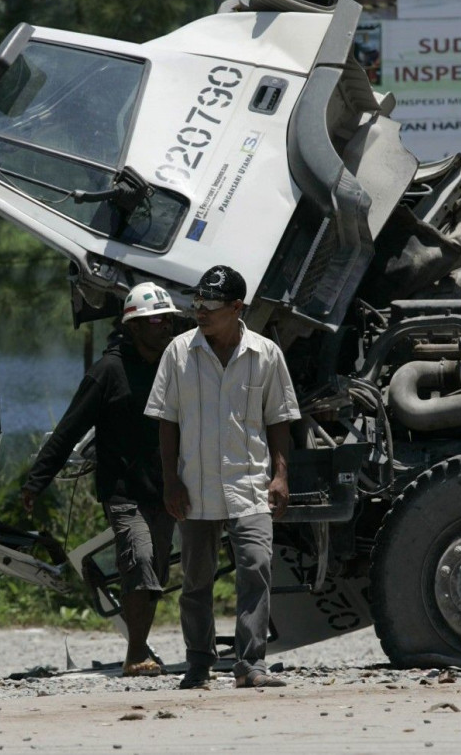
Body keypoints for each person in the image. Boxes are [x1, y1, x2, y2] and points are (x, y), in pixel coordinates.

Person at [145, 265, 301, 690]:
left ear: (237, 308)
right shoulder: (179, 353)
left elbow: (280, 419)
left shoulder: (265, 354)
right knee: (196, 578)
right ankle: (198, 662)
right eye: (196, 304)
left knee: (257, 565)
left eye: (209, 307)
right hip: (194, 484)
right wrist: (170, 480)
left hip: (249, 482)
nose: (200, 312)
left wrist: (280, 475)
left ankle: (251, 663)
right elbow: (166, 421)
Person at [21, 282, 180, 677]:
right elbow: (69, 429)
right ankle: (136, 653)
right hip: (123, 489)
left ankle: (138, 646)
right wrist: (35, 481)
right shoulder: (108, 372)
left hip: (166, 489)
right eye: (156, 321)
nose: (165, 327)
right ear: (133, 327)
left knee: (154, 573)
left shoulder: (175, 366)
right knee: (139, 560)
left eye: (169, 320)